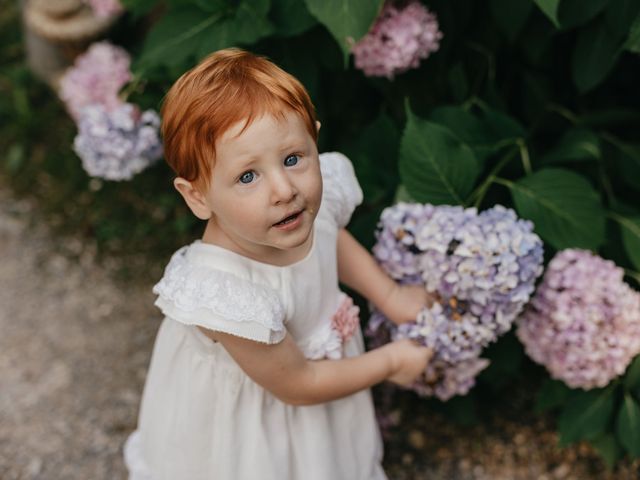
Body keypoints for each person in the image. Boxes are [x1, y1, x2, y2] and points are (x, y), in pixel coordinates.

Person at [124, 48, 433, 480]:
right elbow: (298, 384)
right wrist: (391, 362)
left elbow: (331, 241)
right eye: (248, 176)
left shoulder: (303, 213)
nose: (285, 189)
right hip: (261, 411)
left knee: (324, 457)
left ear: (314, 140)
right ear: (197, 196)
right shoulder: (226, 293)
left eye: (293, 158)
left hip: (313, 383)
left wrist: (391, 295)